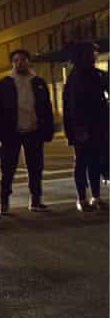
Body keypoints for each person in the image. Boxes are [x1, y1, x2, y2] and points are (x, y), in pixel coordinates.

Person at [0, 49, 55, 214]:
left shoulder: (38, 82)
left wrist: (48, 129)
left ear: (28, 61)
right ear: (12, 63)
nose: (19, 63)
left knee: (35, 167)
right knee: (7, 169)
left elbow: (46, 107)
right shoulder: (4, 83)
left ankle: (36, 200)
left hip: (34, 130)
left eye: (22, 60)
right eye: (15, 60)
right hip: (11, 132)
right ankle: (4, 203)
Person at [63, 42, 109, 212]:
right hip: (83, 128)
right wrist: (77, 130)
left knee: (93, 162)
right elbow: (73, 107)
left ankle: (94, 196)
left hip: (96, 126)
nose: (95, 55)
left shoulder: (93, 74)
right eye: (92, 52)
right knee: (83, 163)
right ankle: (82, 198)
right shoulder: (77, 77)